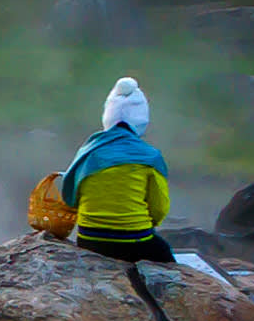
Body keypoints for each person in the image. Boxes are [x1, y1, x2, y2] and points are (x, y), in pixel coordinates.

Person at [32, 79, 177, 261]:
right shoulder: (150, 157)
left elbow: (71, 198)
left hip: (90, 239)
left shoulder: (89, 152)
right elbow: (159, 207)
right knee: (166, 256)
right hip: (136, 239)